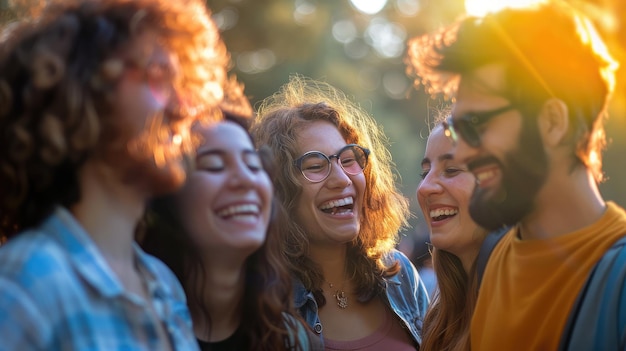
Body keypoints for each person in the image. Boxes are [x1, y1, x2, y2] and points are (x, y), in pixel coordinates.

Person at [0, 0, 239, 349]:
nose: (183, 108)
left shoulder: (163, 286)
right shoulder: (25, 284)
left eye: (183, 84)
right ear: (81, 92)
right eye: (158, 74)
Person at [406, 1, 626, 349]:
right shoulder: (493, 263)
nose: (462, 152)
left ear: (554, 122)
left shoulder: (617, 283)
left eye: (476, 125)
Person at [251, 75, 430, 350]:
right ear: (279, 189)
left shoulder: (400, 276)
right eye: (314, 165)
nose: (342, 179)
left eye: (348, 160)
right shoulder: (262, 301)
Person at [140, 109, 322, 350]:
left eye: (253, 165)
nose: (245, 179)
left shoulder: (294, 339)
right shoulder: (129, 327)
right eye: (214, 165)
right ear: (168, 197)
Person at [416, 117, 488, 351]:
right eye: (425, 172)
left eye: (451, 169)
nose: (424, 187)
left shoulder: (537, 307)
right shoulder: (437, 322)